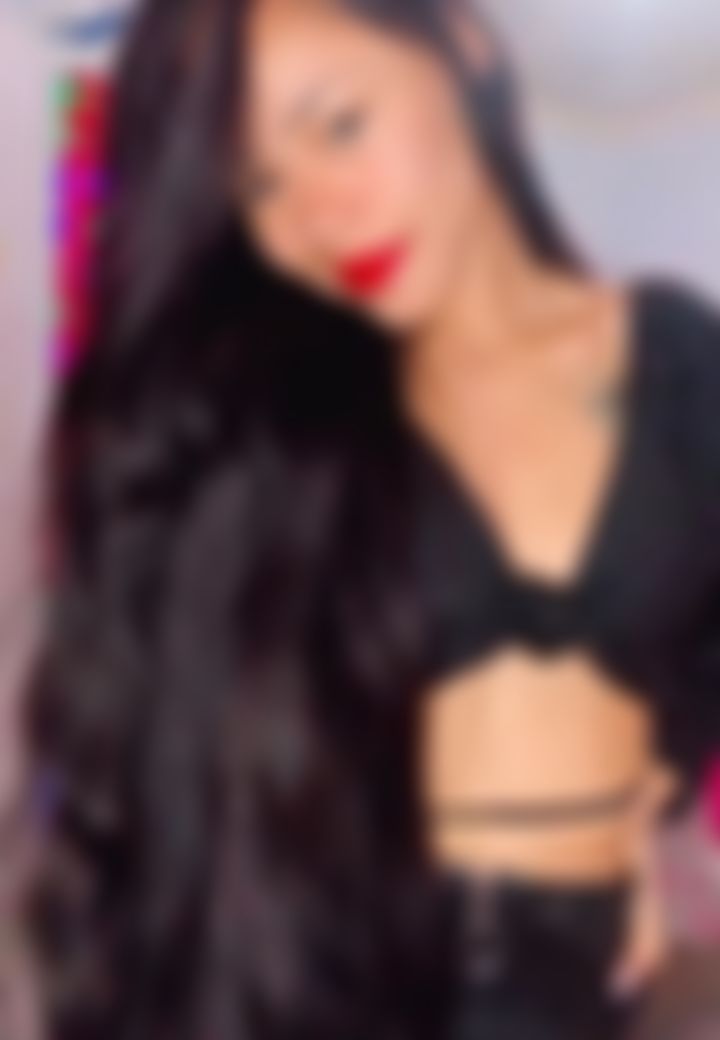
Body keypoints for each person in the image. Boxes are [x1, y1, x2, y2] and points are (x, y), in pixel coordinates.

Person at [29, 1, 720, 1039]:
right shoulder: (272, 433)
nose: (319, 211)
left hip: (574, 994)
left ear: (465, 48)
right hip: (330, 986)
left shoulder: (674, 360)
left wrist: (649, 797)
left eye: (341, 125)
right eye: (259, 186)